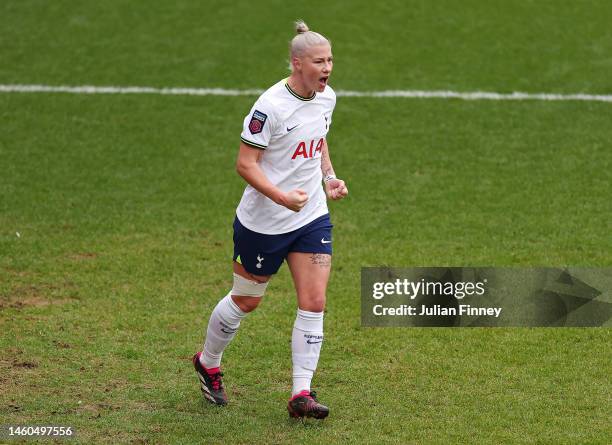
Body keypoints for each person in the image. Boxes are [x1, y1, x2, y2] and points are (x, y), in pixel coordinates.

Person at [193, 20, 348, 420]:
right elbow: (245, 165)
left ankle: (302, 393)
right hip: (264, 222)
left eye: (330, 59)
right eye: (319, 61)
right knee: (247, 300)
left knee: (314, 301)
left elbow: (319, 137)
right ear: (298, 63)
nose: (328, 67)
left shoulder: (325, 96)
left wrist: (328, 178)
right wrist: (281, 197)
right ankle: (208, 361)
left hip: (311, 215)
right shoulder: (269, 108)